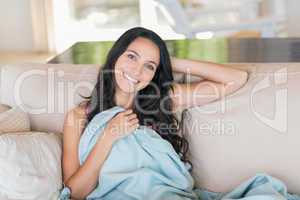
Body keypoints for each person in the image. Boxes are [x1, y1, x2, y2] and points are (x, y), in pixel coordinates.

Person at [61, 27, 248, 199]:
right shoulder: (78, 117)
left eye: (149, 66)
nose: (137, 71)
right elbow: (75, 193)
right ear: (115, 56)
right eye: (132, 57)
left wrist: (168, 61)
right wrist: (108, 137)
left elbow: (236, 79)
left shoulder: (163, 99)